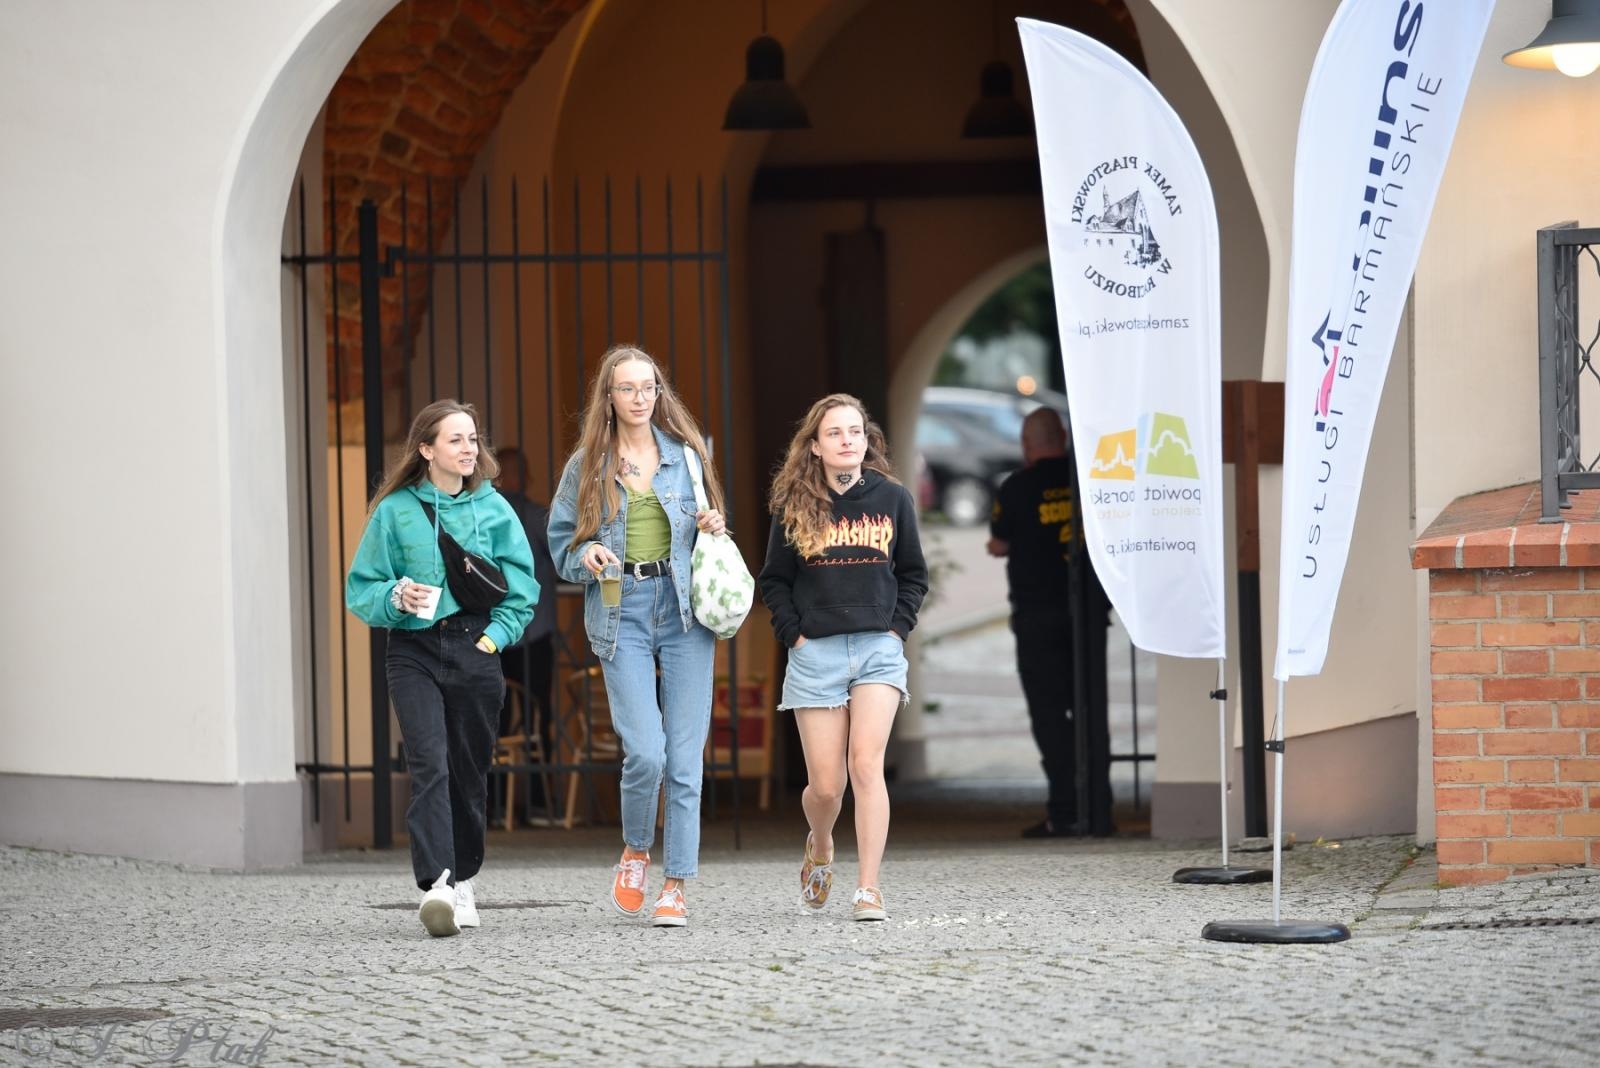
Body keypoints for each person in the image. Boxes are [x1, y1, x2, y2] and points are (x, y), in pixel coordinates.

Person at [547, 343, 727, 929]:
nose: (640, 398)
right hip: (620, 608)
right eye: (627, 388)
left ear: (659, 392)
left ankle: (675, 883)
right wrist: (587, 553)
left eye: (648, 387)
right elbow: (559, 546)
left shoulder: (687, 456)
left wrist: (711, 524)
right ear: (609, 396)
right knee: (645, 750)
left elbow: (709, 528)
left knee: (684, 757)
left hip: (682, 612)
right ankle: (634, 849)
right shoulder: (585, 468)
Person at [345, 399, 538, 937]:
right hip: (412, 649)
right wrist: (394, 596)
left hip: (474, 647)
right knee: (429, 763)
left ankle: (465, 877)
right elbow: (361, 588)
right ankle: (439, 885)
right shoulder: (395, 510)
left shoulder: (495, 509)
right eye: (456, 440)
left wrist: (492, 641)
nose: (469, 448)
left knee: (468, 770)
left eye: (473, 439)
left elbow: (523, 592)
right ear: (426, 449)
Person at [758, 394, 928, 922]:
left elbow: (913, 574)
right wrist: (795, 637)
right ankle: (822, 840)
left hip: (878, 650)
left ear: (866, 441)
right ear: (815, 446)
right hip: (817, 655)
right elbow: (774, 580)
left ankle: (869, 888)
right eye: (834, 433)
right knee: (827, 787)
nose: (847, 440)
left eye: (855, 431)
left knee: (865, 766)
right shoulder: (794, 504)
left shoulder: (894, 498)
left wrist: (896, 631)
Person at [987, 407, 1112, 838]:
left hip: (1037, 616)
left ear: (1027, 445)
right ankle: (1099, 811)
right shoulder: (1088, 480)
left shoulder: (1016, 487)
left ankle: (1063, 810)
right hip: (1087, 613)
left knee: (1049, 716)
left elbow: (999, 542)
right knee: (1091, 710)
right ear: (1062, 436)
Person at [494, 446, 559, 823]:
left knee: (492, 724)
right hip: (536, 631)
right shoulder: (536, 516)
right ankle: (537, 803)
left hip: (494, 635)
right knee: (537, 721)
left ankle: (493, 806)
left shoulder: (484, 515)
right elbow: (563, 561)